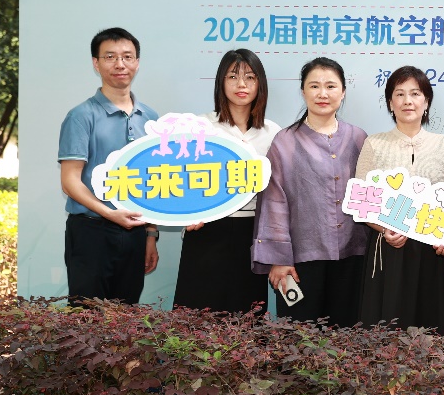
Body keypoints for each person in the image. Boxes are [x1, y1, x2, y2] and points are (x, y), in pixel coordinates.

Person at [253, 57, 367, 326]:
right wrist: (279, 258)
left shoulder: (359, 138)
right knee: (301, 335)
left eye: (331, 86)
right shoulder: (285, 141)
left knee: (349, 334)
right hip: (300, 259)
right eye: (314, 86)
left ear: (343, 92)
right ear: (303, 91)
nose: (322, 94)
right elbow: (274, 202)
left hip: (353, 255)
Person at [353, 66, 444, 332]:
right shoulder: (374, 143)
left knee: (432, 331)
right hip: (389, 249)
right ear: (391, 103)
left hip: (433, 251)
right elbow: (361, 203)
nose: (407, 101)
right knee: (387, 330)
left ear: (426, 101)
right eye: (399, 94)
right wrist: (385, 229)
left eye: (415, 93)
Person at [58, 27, 160, 306]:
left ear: (137, 62)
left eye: (127, 56)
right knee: (87, 316)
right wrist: (110, 213)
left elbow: (154, 181)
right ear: (96, 63)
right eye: (110, 57)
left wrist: (151, 235)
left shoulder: (151, 118)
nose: (120, 64)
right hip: (91, 231)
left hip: (136, 232)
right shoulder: (81, 116)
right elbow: (69, 180)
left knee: (126, 316)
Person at [174, 49, 280, 314]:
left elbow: (279, 192)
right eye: (233, 77)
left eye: (250, 77)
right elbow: (178, 179)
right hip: (208, 230)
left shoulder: (274, 133)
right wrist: (186, 212)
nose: (241, 84)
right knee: (197, 318)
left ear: (260, 84)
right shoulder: (200, 127)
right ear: (220, 82)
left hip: (252, 234)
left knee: (247, 317)